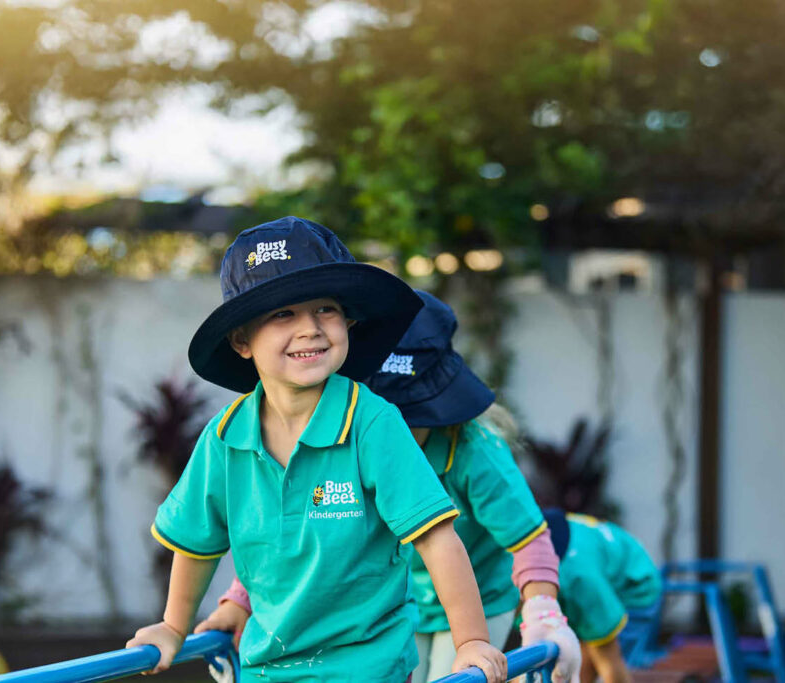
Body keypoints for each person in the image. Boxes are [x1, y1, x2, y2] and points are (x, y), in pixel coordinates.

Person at [126, 217, 507, 683]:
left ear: (347, 320)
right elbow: (196, 544)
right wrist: (172, 626)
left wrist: (470, 641)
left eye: (325, 309)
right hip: (269, 670)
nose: (310, 329)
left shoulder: (371, 421)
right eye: (283, 313)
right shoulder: (225, 439)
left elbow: (436, 538)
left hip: (369, 668)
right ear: (242, 340)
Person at [198, 290, 582, 683]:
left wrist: (543, 613)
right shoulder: (346, 435)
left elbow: (529, 536)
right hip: (400, 599)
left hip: (478, 598)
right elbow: (292, 538)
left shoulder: (473, 450)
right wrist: (238, 602)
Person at [543, 509, 663, 683]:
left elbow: (611, 666)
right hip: (589, 574)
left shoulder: (580, 580)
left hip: (633, 586)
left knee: (599, 660)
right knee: (575, 661)